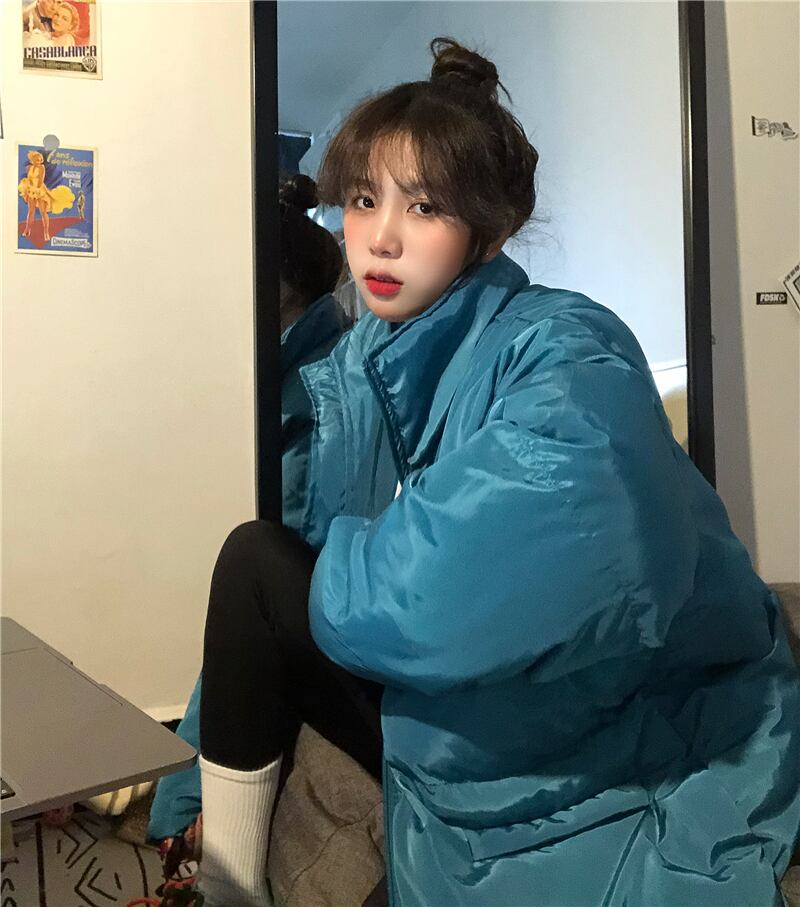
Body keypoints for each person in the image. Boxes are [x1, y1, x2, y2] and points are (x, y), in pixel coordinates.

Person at [139, 37, 800, 907]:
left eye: (423, 207)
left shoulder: (566, 345)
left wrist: (352, 568)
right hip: (439, 661)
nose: (379, 237)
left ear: (490, 230)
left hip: (612, 713)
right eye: (364, 200)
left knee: (273, 566)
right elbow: (297, 566)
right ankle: (223, 884)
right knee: (255, 557)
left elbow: (470, 577)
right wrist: (187, 785)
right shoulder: (362, 366)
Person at [144, 174, 350, 866]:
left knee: (246, 569)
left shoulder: (313, 397)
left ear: (279, 287)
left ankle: (193, 827)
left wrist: (185, 801)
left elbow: (281, 595)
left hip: (325, 629)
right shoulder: (299, 368)